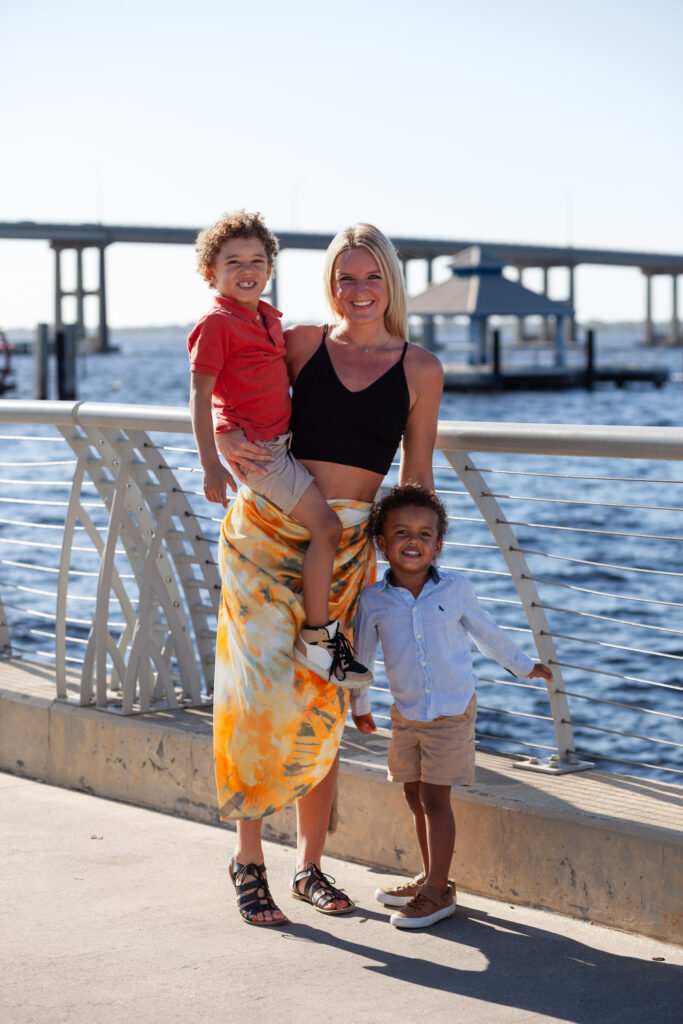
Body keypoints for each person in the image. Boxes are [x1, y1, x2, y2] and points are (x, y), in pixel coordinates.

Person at [208, 223, 444, 926]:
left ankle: (309, 867)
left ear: (392, 283)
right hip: (263, 535)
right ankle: (248, 861)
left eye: (371, 277)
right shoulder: (302, 343)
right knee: (254, 696)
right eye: (345, 277)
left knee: (320, 705)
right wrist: (222, 442)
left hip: (341, 553)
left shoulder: (420, 369)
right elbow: (235, 385)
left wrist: (419, 571)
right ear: (329, 284)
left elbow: (418, 479)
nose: (359, 291)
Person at [351, 483, 553, 930]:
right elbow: (362, 659)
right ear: (382, 543)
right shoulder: (372, 600)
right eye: (401, 532)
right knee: (411, 791)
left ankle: (438, 892)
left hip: (451, 711)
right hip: (406, 713)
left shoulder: (456, 589)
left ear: (438, 546)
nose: (413, 541)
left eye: (425, 534)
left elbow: (487, 632)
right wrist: (360, 705)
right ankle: (431, 878)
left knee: (435, 798)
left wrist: (523, 666)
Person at [188, 210, 370, 687]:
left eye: (257, 260)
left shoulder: (266, 318)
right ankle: (317, 637)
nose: (247, 270)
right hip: (262, 454)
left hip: (284, 444)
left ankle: (318, 632)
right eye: (233, 262)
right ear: (212, 272)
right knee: (326, 527)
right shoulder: (217, 323)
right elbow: (201, 395)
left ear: (270, 268)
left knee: (323, 527)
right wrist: (212, 461)